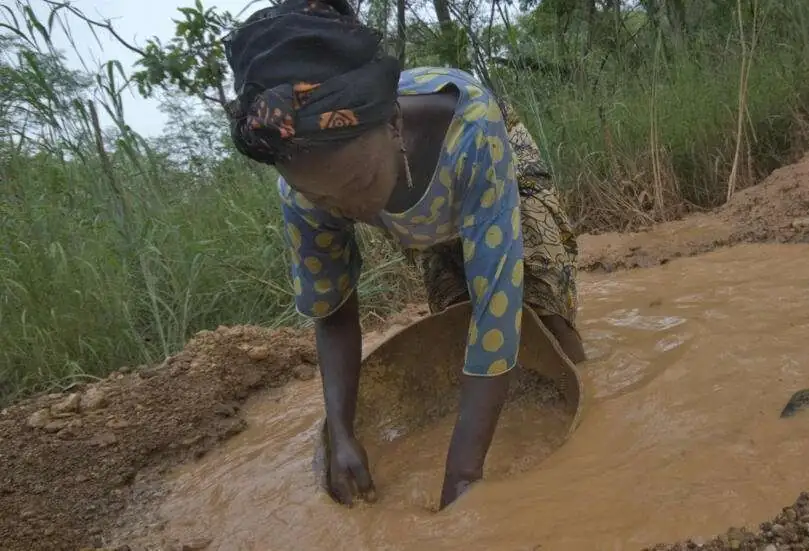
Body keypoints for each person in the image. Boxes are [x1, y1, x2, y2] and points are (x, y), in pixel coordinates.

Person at [223, 0, 586, 510]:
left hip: (495, 166)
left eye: (359, 184)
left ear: (393, 124)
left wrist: (464, 476)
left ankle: (589, 388)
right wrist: (342, 434)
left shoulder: (471, 128)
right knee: (456, 316)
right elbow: (333, 312)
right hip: (430, 212)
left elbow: (498, 306)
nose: (349, 209)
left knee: (543, 304)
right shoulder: (306, 189)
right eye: (325, 199)